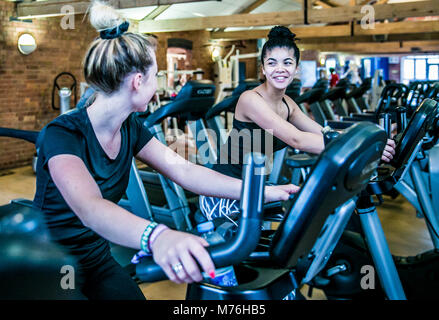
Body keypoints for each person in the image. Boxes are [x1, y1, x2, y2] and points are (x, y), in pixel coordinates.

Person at [32, 2, 298, 300]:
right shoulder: (62, 134)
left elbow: (184, 171)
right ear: (137, 82)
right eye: (155, 76)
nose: (157, 88)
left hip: (95, 256)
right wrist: (157, 236)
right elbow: (89, 208)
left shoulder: (130, 128)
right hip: (48, 262)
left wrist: (259, 191)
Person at [200, 26, 396, 222]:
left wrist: (365, 138)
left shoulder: (289, 105)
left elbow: (324, 133)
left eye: (287, 62)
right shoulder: (250, 99)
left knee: (311, 216)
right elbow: (297, 140)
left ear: (296, 68)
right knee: (295, 227)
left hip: (256, 186)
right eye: (271, 63)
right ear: (263, 68)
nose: (280, 69)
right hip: (224, 194)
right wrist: (360, 146)